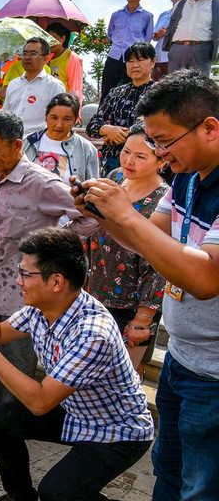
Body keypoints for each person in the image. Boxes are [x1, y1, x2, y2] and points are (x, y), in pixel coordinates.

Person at [76, 70, 219, 501]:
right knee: (169, 473)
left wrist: (128, 217)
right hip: (186, 355)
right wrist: (104, 212)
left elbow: (205, 278)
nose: (160, 154)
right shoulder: (190, 176)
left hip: (216, 374)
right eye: (152, 142)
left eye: (165, 142)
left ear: (209, 126)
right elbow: (145, 236)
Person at [0, 228, 153, 501]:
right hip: (75, 409)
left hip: (116, 430)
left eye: (25, 274)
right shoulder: (42, 307)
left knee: (59, 495)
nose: (19, 281)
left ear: (56, 281)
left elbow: (40, 401)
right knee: (1, 421)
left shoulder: (92, 333)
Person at [0, 111, 93, 460]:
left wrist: (53, 247)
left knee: (14, 366)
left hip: (23, 295)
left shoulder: (40, 182)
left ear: (17, 145)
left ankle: (8, 432)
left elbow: (90, 215)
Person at [69, 122, 168, 371]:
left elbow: (159, 265)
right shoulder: (113, 181)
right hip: (96, 296)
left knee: (121, 380)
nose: (129, 161)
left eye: (140, 156)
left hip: (134, 308)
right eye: (126, 152)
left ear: (162, 162)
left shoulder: (164, 201)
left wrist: (143, 319)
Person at [86, 42, 156, 174]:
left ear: (153, 62)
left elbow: (156, 127)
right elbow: (93, 125)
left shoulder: (160, 92)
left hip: (145, 160)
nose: (134, 65)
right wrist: (105, 129)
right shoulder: (116, 92)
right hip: (112, 161)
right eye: (130, 61)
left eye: (140, 60)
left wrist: (121, 135)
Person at [23, 93, 100, 183]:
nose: (59, 125)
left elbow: (92, 188)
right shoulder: (28, 142)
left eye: (66, 119)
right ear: (46, 117)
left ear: (75, 121)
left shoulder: (87, 149)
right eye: (54, 118)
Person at [103, 0, 154, 101]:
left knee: (131, 93)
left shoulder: (147, 16)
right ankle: (102, 118)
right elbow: (110, 34)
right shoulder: (116, 14)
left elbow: (147, 38)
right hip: (114, 57)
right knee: (107, 92)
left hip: (133, 60)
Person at [3, 38, 66, 137]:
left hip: (39, 143)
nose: (27, 57)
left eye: (33, 53)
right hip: (12, 141)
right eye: (25, 53)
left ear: (45, 58)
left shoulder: (54, 86)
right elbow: (5, 114)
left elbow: (59, 119)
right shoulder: (13, 84)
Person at [162, 0, 219, 75]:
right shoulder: (181, 3)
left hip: (202, 51)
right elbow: (172, 25)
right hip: (177, 50)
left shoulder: (216, 4)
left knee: (199, 88)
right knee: (174, 87)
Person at [153, 0, 190, 78]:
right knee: (157, 88)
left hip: (178, 57)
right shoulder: (163, 14)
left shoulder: (190, 11)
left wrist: (168, 31)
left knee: (175, 88)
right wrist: (158, 34)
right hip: (159, 58)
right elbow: (154, 37)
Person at [42, 23, 84, 104]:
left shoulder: (72, 59)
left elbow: (75, 89)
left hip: (64, 107)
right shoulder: (46, 58)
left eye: (52, 38)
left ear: (63, 38)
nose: (49, 42)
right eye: (47, 39)